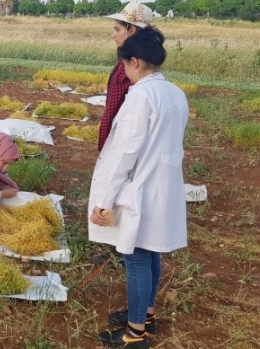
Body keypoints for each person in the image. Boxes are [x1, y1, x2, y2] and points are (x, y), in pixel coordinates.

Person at [87, 27, 188, 349]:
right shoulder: (174, 92)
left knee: (135, 257)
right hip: (162, 185)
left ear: (134, 62)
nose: (124, 72)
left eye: (124, 65)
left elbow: (124, 153)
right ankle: (146, 315)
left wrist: (104, 201)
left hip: (139, 186)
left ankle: (135, 334)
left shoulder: (141, 96)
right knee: (150, 248)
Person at [92, 2, 155, 267]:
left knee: (120, 190)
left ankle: (124, 248)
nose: (113, 34)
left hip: (125, 142)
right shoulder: (126, 62)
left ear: (132, 30)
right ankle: (118, 245)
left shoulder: (136, 69)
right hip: (117, 139)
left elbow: (131, 116)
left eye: (118, 29)